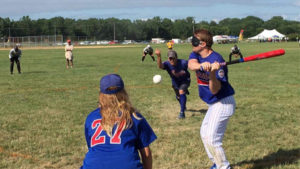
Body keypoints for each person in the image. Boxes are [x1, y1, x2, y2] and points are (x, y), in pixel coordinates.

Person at [81, 74, 157, 169]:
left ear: (101, 95)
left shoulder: (91, 117)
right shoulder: (134, 116)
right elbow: (146, 152)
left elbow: (92, 147)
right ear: (124, 93)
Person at [188, 29, 235, 169]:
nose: (192, 43)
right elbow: (191, 65)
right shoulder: (196, 54)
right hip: (213, 104)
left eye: (194, 41)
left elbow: (214, 90)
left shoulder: (217, 60)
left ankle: (224, 167)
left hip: (222, 102)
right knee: (204, 133)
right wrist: (201, 66)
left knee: (212, 139)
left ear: (202, 44)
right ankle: (217, 163)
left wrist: (212, 73)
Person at [155, 49, 190, 119]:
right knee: (178, 96)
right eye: (170, 58)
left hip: (185, 80)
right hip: (175, 83)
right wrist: (159, 56)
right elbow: (160, 66)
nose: (172, 60)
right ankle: (183, 105)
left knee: (181, 91)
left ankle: (182, 113)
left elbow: (192, 64)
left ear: (176, 57)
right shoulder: (167, 64)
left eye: (173, 58)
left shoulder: (183, 62)